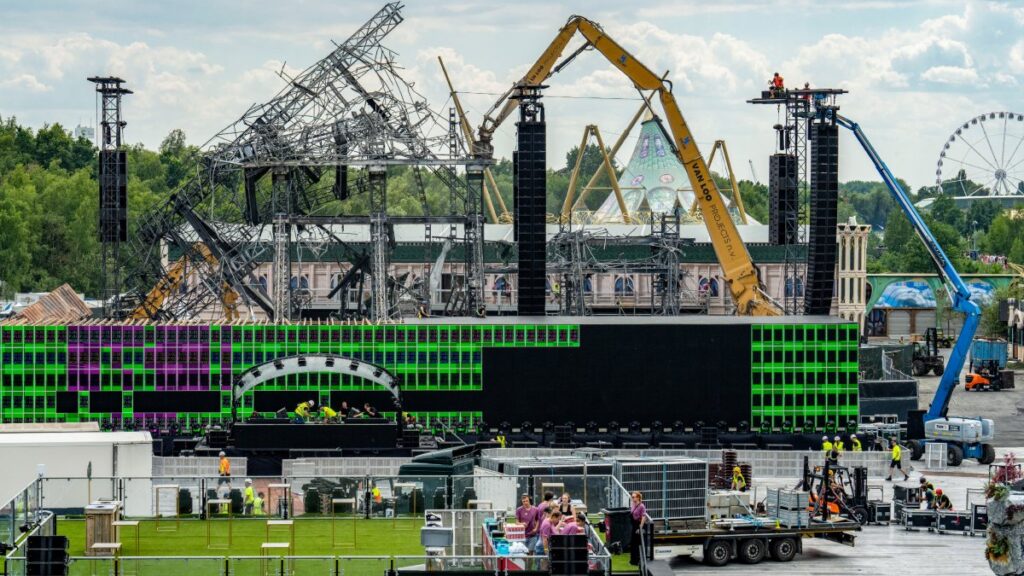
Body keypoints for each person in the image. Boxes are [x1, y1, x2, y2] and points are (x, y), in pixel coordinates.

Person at [629, 491, 647, 566]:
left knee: (638, 543)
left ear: (638, 497)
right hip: (634, 525)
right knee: (633, 543)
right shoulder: (633, 504)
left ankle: (638, 560)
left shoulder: (641, 506)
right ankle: (633, 560)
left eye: (633, 497)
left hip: (639, 525)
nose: (632, 498)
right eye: (632, 497)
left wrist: (640, 527)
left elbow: (644, 516)